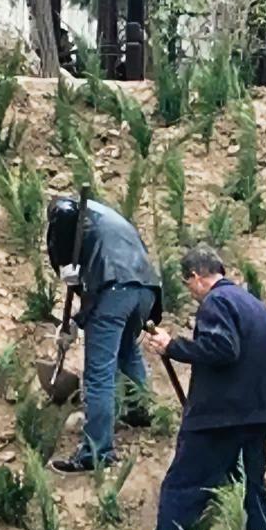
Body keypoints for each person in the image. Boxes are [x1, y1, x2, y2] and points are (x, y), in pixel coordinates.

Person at [142, 245, 266, 530]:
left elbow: (222, 348)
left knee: (182, 487)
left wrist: (172, 346)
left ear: (195, 277)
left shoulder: (216, 301)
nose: (191, 293)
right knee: (252, 489)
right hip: (259, 414)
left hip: (220, 417)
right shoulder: (255, 305)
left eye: (188, 285)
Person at [46, 195, 163, 472]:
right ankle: (139, 410)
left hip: (115, 289)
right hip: (145, 290)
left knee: (99, 374)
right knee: (127, 350)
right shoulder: (105, 218)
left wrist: (75, 319)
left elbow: (101, 290)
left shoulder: (68, 215)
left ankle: (96, 453)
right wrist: (76, 321)